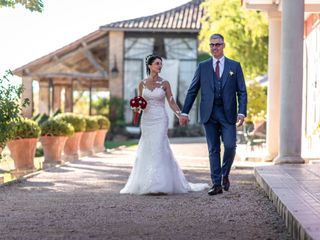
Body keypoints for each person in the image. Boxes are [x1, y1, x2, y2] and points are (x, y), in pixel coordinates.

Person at [120, 54, 209, 195]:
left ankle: (159, 184)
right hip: (147, 120)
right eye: (157, 63)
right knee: (147, 147)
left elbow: (172, 102)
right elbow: (139, 104)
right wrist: (136, 108)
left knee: (159, 147)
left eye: (161, 64)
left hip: (160, 119)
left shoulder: (165, 83)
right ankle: (145, 183)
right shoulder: (142, 84)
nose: (160, 66)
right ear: (149, 66)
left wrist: (181, 114)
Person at [179, 33, 247, 196]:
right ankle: (216, 183)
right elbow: (193, 90)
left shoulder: (234, 66)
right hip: (209, 113)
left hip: (228, 113)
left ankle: (225, 174)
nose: (214, 47)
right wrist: (184, 111)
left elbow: (242, 92)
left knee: (230, 146)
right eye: (212, 45)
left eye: (218, 44)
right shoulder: (202, 67)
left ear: (223, 45)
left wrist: (242, 111)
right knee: (213, 149)